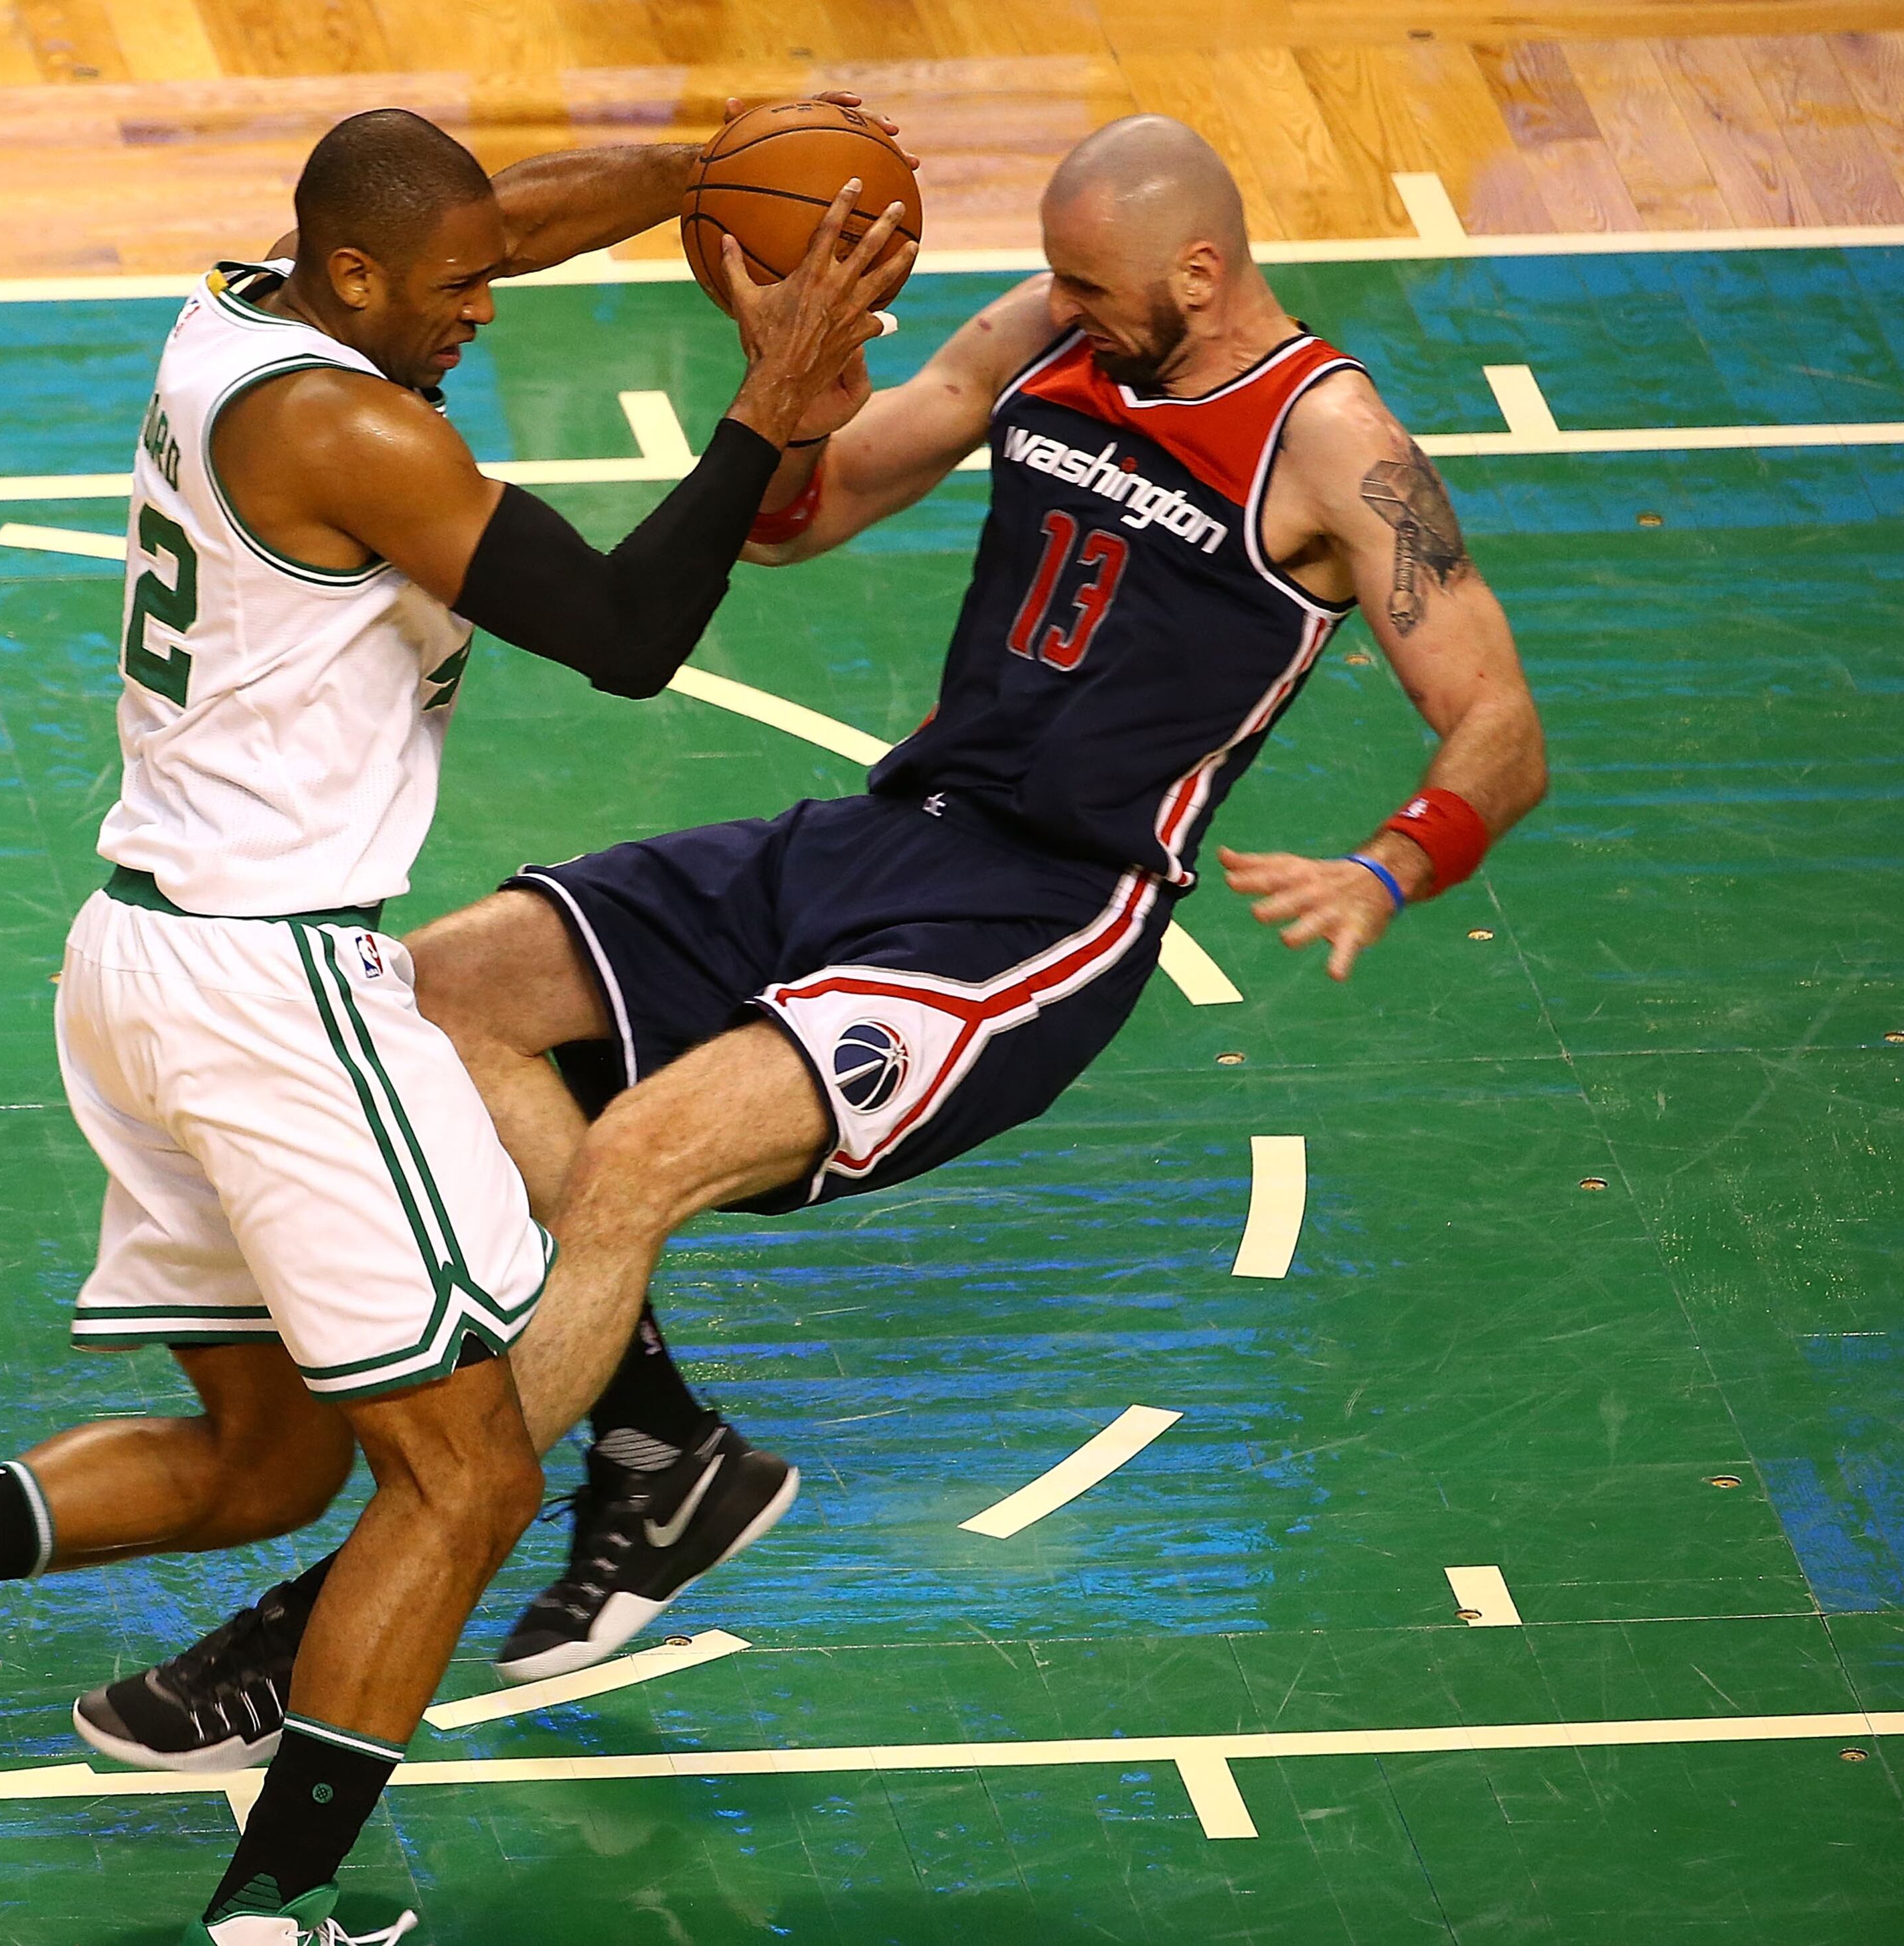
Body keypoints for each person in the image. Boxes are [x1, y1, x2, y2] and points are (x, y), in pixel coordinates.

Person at [90, 111, 1551, 1768]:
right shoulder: (1054, 333)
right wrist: (773, 378)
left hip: (1039, 919)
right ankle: (661, 1456)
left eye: (1088, 277)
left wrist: (1394, 862)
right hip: (886, 831)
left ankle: (316, 1627)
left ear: (1200, 272)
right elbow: (806, 510)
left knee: (634, 1160)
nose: (1050, 299)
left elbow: (1499, 721)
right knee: (435, 991)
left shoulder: (1332, 441)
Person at [0, 105, 910, 1945]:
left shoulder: (238, 313)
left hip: (143, 959)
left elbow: (477, 223)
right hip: (276, 993)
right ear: (355, 280)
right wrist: (770, 401)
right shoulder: (354, 425)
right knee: (477, 1472)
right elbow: (629, 629)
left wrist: (691, 172)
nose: (484, 311)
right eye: (454, 292)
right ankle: (278, 1912)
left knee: (273, 1462)